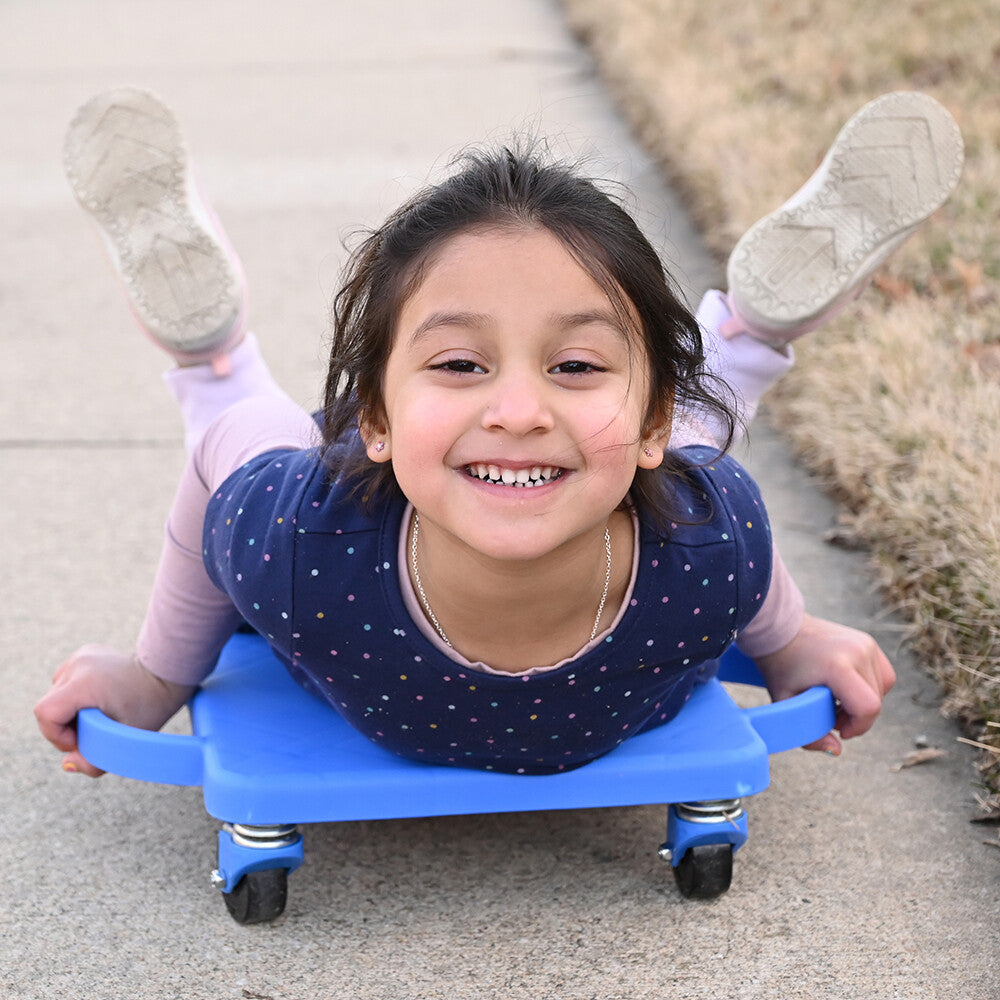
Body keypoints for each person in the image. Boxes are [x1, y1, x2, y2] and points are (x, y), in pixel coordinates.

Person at [36, 88, 962, 777]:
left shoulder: (710, 536)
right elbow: (214, 466)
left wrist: (791, 641)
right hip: (377, 495)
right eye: (460, 364)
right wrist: (156, 677)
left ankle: (746, 339)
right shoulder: (296, 539)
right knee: (252, 424)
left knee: (669, 447)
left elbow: (723, 537)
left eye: (570, 364)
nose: (516, 407)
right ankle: (216, 359)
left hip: (628, 462)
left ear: (651, 427)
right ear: (375, 421)